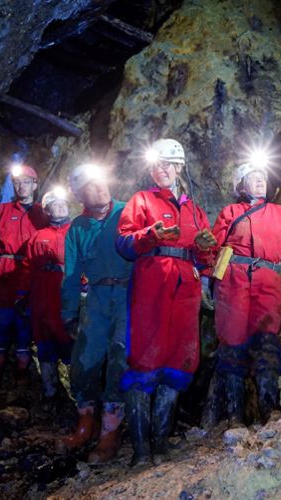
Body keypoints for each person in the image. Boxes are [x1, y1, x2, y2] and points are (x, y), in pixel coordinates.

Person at [116, 138, 216, 466]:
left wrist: (206, 248)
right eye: (157, 165)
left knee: (179, 359)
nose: (162, 170)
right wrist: (151, 234)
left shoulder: (194, 209)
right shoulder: (142, 200)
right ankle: (141, 449)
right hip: (151, 287)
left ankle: (161, 443)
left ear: (179, 167)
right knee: (144, 357)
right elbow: (124, 245)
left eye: (168, 164)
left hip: (185, 289)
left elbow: (207, 257)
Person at [210, 161, 281, 425]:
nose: (260, 180)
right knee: (232, 342)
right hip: (233, 280)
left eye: (262, 176)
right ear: (241, 185)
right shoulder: (230, 212)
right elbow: (214, 246)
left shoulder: (280, 213)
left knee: (267, 340)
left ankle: (269, 407)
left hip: (267, 280)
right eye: (253, 177)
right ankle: (234, 414)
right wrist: (208, 279)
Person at [57, 164, 133, 463]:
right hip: (98, 296)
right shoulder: (77, 228)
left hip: (130, 293)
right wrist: (69, 314)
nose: (100, 188)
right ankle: (85, 421)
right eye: (91, 185)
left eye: (101, 181)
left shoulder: (127, 212)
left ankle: (110, 431)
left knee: (120, 355)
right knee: (85, 359)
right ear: (80, 195)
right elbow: (72, 275)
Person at [0, 164, 47, 389]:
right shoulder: (2, 210)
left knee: (26, 327)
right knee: (1, 323)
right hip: (6, 271)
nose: (20, 186)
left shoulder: (42, 212)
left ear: (34, 184)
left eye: (25, 181)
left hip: (32, 273)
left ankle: (20, 377)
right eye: (16, 182)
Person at [19, 187, 73, 410]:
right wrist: (22, 295)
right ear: (48, 211)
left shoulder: (76, 231)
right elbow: (26, 267)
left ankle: (78, 394)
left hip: (67, 292)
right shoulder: (38, 237)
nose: (60, 208)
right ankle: (50, 392)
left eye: (63, 204)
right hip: (42, 293)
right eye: (55, 205)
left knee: (71, 339)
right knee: (44, 341)